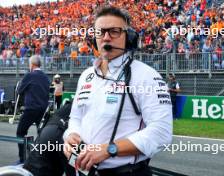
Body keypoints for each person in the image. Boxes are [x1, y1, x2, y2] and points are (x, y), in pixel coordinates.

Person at [63, 6, 172, 176]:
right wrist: (71, 135)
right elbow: (76, 118)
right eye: (101, 32)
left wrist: (109, 149)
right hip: (79, 170)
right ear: (94, 37)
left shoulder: (146, 76)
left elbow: (162, 132)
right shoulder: (86, 76)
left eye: (114, 31)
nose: (106, 38)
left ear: (128, 38)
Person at [15, 55, 50, 164]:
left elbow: (19, 91)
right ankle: (40, 158)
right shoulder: (46, 77)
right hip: (43, 110)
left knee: (20, 132)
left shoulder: (29, 75)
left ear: (32, 65)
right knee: (42, 136)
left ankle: (23, 158)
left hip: (31, 109)